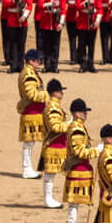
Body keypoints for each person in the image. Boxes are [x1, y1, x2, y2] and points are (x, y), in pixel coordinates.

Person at [63, 99, 95, 223]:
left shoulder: (78, 126)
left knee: (75, 202)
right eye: (83, 112)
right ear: (76, 113)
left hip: (79, 169)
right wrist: (95, 151)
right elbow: (79, 152)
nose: (85, 114)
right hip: (78, 169)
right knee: (74, 201)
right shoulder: (76, 128)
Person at [17, 47, 47, 179]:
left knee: (31, 142)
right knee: (29, 143)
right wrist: (48, 95)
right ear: (30, 61)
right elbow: (31, 94)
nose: (39, 62)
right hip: (32, 112)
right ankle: (26, 169)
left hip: (34, 111)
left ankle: (28, 168)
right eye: (37, 60)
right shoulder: (29, 74)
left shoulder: (29, 72)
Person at [40, 78, 69, 209]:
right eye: (60, 91)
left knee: (51, 174)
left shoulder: (53, 105)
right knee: (50, 174)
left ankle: (48, 198)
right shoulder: (53, 107)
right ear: (55, 92)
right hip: (53, 145)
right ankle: (47, 198)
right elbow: (55, 127)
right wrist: (70, 124)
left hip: (55, 144)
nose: (62, 93)